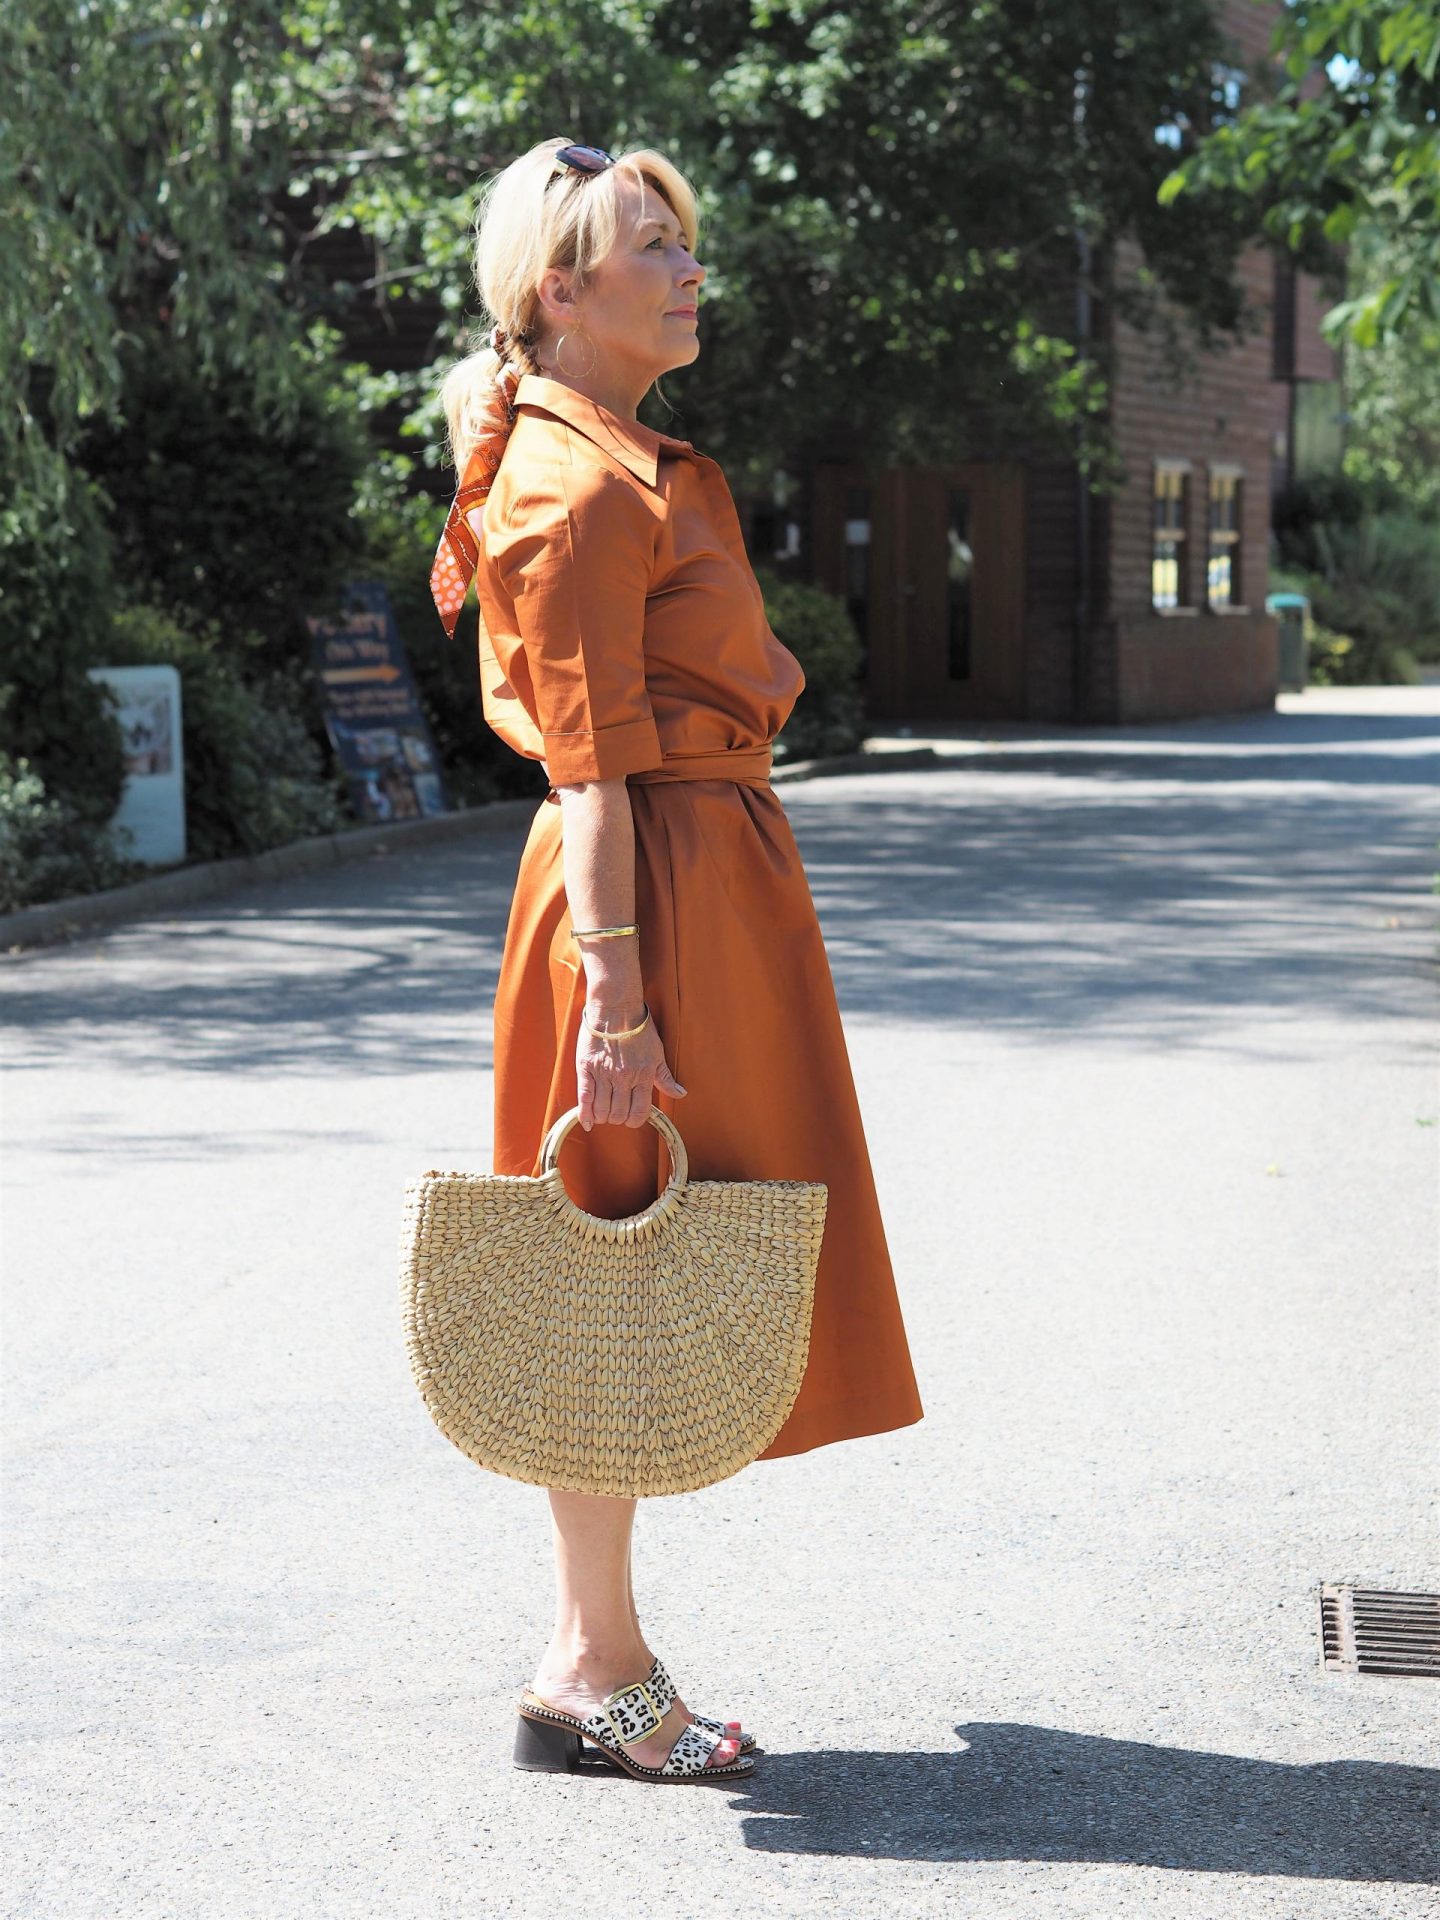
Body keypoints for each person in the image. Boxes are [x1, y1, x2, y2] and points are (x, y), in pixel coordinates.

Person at [432, 137, 924, 1785]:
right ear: (559, 293)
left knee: (643, 1260)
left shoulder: (621, 455)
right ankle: (591, 1660)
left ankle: (590, 1651)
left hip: (695, 881)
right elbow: (586, 771)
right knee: (613, 1264)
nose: (689, 267)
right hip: (640, 897)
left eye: (687, 241)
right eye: (654, 247)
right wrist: (621, 1010)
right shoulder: (573, 485)